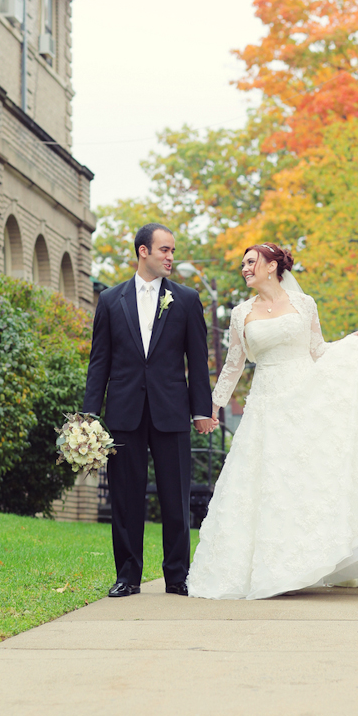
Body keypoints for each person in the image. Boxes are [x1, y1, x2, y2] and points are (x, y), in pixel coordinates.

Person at [187, 243, 358, 600]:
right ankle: (277, 566)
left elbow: (318, 350)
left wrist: (352, 344)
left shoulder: (305, 304)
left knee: (312, 480)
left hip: (307, 397)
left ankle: (324, 560)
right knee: (270, 483)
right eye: (243, 263)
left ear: (272, 266)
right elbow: (234, 365)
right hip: (268, 405)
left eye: (251, 262)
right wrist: (214, 405)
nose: (244, 268)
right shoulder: (242, 313)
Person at [83, 223, 216, 597]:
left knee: (176, 496)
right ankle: (127, 576)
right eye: (165, 250)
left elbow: (197, 359)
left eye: (173, 251)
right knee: (125, 497)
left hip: (171, 409)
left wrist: (201, 410)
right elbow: (99, 362)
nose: (171, 257)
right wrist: (89, 417)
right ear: (144, 252)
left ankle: (177, 576)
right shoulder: (110, 300)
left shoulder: (187, 300)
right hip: (124, 411)